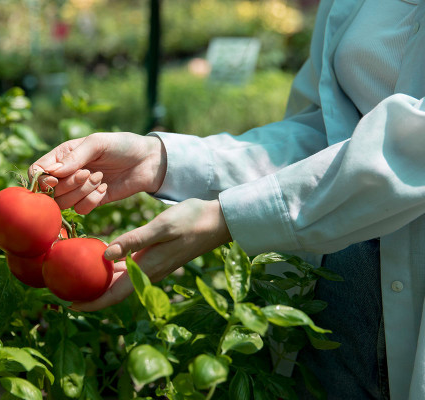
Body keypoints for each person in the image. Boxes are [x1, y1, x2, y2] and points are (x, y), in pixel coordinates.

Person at [29, 0, 425, 398]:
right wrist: (161, 160)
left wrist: (229, 218)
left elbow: (413, 147)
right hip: (333, 290)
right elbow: (328, 129)